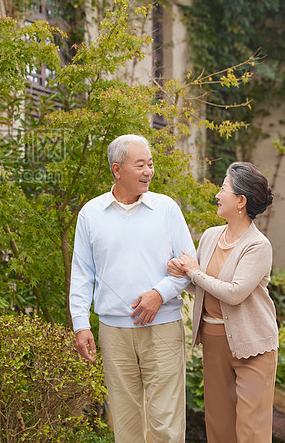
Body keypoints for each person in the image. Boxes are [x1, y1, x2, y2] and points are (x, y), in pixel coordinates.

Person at [69, 134, 195, 443]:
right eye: (140, 165)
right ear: (117, 169)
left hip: (163, 327)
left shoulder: (167, 209)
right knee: (125, 425)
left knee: (166, 424)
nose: (148, 171)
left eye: (150, 164)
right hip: (114, 332)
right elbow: (82, 273)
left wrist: (159, 294)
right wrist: (80, 323)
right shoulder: (91, 214)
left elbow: (191, 265)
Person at [168, 161, 278, 443]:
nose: (217, 195)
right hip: (215, 339)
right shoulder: (210, 236)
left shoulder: (258, 245)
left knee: (251, 430)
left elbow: (233, 292)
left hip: (253, 344)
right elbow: (204, 288)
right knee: (218, 425)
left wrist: (195, 272)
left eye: (223, 188)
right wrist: (182, 272)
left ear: (240, 201)